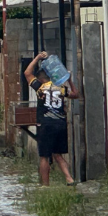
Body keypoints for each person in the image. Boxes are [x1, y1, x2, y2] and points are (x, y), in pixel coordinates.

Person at [23, 51, 80, 186]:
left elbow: (27, 73)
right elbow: (75, 94)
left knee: (44, 156)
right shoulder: (60, 88)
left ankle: (45, 185)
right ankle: (69, 178)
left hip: (46, 124)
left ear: (41, 79)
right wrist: (69, 80)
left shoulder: (40, 87)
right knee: (58, 154)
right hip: (60, 124)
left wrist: (37, 57)